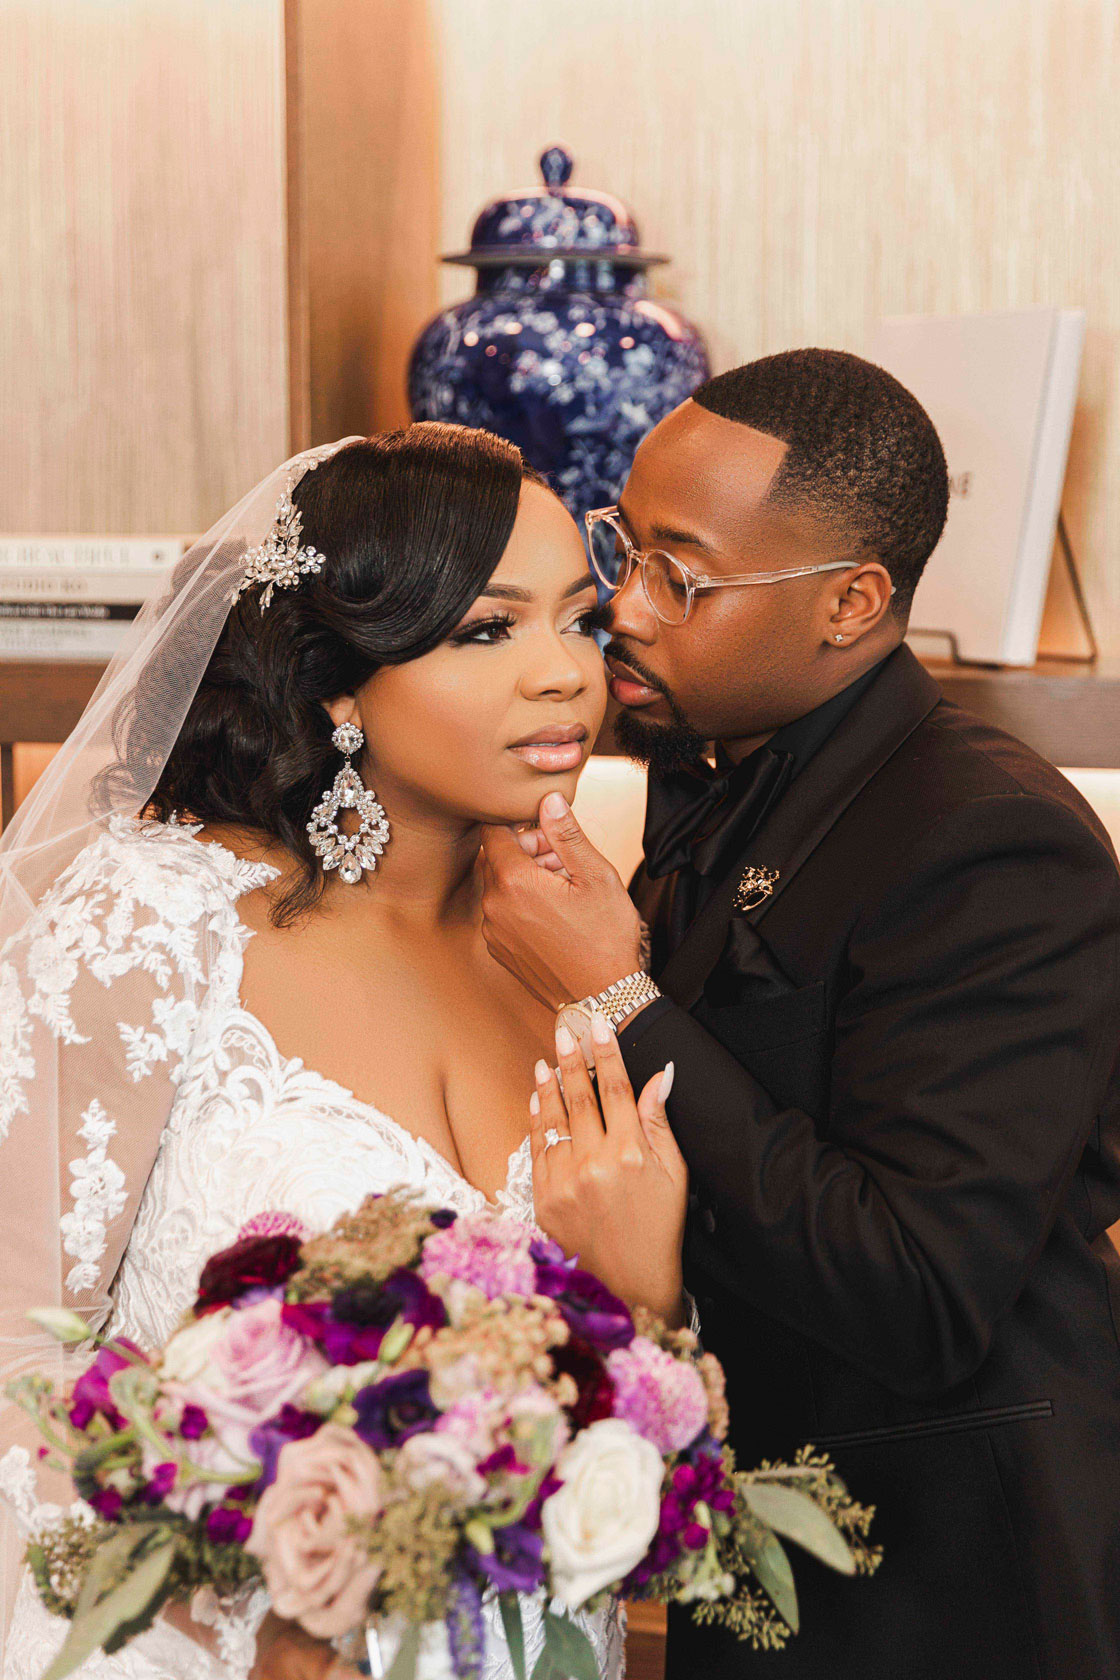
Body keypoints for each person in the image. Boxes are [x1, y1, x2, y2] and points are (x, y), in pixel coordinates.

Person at [0, 424, 688, 1680]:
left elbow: (608, 1390)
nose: (565, 676)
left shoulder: (583, 958)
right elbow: (17, 1353)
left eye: (577, 621)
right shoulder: (160, 924)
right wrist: (232, 1627)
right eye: (487, 630)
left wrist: (645, 1302)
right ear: (334, 683)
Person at [480, 349, 1120, 1679]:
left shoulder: (993, 840)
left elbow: (921, 1292)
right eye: (625, 548)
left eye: (683, 575)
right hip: (758, 1558)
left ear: (851, 603)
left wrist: (617, 990)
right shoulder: (727, 770)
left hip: (950, 1588)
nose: (628, 609)